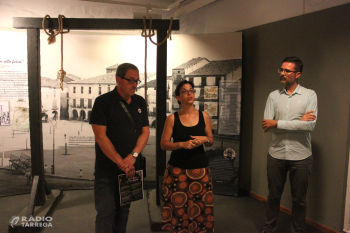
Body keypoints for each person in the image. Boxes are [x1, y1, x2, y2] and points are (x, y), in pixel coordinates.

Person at [89, 63, 150, 233]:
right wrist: (121, 162)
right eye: (131, 80)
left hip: (130, 170)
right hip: (106, 172)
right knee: (105, 213)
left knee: (123, 212)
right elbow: (101, 137)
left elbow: (145, 132)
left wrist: (133, 157)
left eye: (137, 81)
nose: (135, 85)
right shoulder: (103, 102)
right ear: (118, 79)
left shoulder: (140, 102)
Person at [262, 56, 317, 233]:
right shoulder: (273, 96)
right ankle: (268, 229)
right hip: (276, 154)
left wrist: (278, 123)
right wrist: (297, 122)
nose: (282, 73)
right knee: (272, 197)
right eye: (281, 70)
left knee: (299, 200)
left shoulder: (310, 95)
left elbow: (310, 126)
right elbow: (267, 126)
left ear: (298, 74)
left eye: (287, 71)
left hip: (301, 156)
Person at [160, 80, 215, 233]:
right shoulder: (172, 118)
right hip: (177, 172)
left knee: (200, 210)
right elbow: (163, 144)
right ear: (178, 97)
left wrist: (205, 139)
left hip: (200, 171)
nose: (190, 93)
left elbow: (210, 141)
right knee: (178, 210)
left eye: (192, 90)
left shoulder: (204, 116)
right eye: (185, 91)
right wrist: (181, 144)